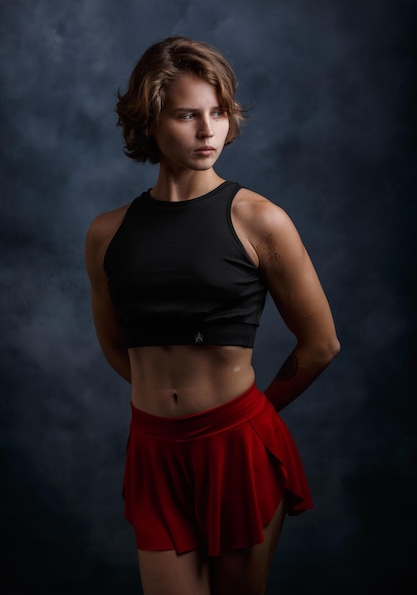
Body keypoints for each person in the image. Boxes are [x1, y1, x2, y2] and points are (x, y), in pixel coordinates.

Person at [85, 36, 340, 595]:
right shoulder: (107, 233)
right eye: (187, 115)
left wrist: (240, 422)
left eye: (219, 112)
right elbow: (112, 342)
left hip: (237, 446)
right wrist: (167, 403)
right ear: (149, 121)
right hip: (154, 450)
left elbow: (321, 344)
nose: (209, 130)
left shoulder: (261, 220)